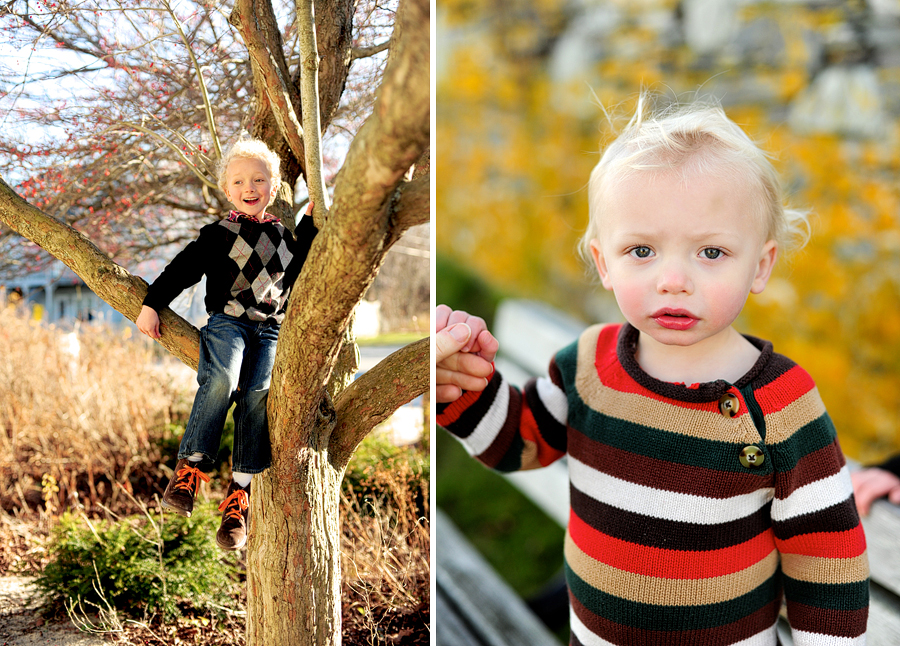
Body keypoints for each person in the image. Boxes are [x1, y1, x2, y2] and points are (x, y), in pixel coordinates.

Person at [436, 97, 869, 645]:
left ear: (760, 266)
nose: (672, 279)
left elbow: (826, 560)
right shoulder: (588, 364)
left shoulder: (782, 403)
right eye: (641, 250)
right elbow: (518, 441)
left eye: (710, 253)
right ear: (604, 262)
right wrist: (464, 388)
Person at [137, 138, 317, 551]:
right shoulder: (217, 234)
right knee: (222, 377)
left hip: (270, 328)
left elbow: (304, 260)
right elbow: (181, 270)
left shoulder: (284, 236)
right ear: (227, 188)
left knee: (257, 394)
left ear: (273, 187)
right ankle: (191, 467)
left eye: (258, 179)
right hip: (228, 324)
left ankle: (239, 498)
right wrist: (151, 304)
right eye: (239, 181)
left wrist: (309, 223)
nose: (249, 186)